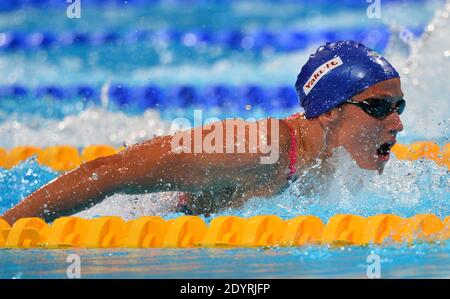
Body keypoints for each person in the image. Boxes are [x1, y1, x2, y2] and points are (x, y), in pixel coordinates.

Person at [1, 40, 405, 225]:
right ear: (329, 112)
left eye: (398, 107)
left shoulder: (335, 156)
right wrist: (9, 227)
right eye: (379, 108)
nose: (396, 123)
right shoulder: (257, 148)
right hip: (135, 223)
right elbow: (110, 171)